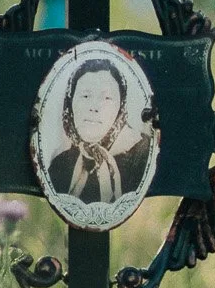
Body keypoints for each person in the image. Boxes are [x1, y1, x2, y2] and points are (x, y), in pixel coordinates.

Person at [44, 56, 153, 205]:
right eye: (85, 95)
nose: (94, 107)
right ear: (70, 103)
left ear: (120, 107)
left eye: (106, 98)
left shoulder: (143, 156)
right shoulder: (61, 164)